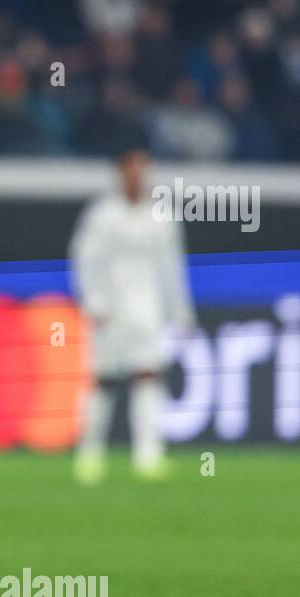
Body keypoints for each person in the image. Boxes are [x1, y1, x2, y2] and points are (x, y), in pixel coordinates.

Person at [69, 145, 195, 483]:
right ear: (119, 171)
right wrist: (93, 301)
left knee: (148, 376)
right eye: (131, 167)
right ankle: (90, 454)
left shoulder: (161, 216)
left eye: (143, 167)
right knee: (102, 380)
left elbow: (171, 268)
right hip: (109, 309)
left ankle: (148, 455)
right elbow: (84, 261)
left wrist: (180, 312)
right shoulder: (102, 215)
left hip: (146, 307)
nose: (138, 174)